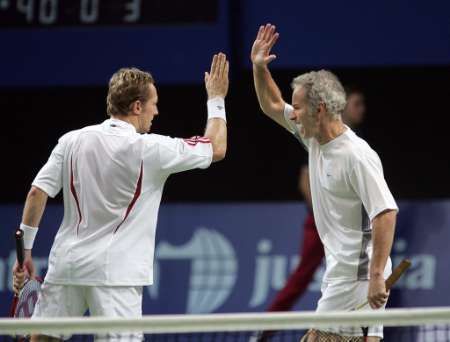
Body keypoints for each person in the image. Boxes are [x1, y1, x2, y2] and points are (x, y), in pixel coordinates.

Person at [12, 53, 229, 341]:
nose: (157, 112)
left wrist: (25, 251)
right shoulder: (151, 149)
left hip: (67, 265)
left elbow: (36, 192)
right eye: (153, 104)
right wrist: (216, 98)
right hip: (116, 275)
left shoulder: (72, 140)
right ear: (137, 106)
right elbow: (216, 148)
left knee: (43, 339)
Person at [251, 24, 398, 341]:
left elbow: (385, 213)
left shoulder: (357, 156)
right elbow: (271, 105)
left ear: (319, 110)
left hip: (359, 275)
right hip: (340, 272)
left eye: (299, 107)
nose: (293, 114)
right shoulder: (314, 139)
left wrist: (375, 276)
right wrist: (259, 68)